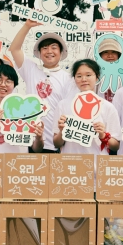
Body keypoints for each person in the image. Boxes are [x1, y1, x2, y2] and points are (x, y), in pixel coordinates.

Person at [9, 20, 76, 153]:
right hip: (31, 141)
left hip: (56, 144)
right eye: (44, 48)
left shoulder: (69, 79)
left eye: (53, 47)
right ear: (39, 53)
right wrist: (27, 25)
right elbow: (14, 49)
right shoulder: (31, 69)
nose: (49, 51)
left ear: (61, 52)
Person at [53, 59, 121, 155]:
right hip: (70, 164)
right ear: (74, 78)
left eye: (88, 75)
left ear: (97, 77)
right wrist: (61, 132)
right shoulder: (63, 105)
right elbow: (56, 143)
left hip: (97, 165)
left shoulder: (107, 107)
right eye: (79, 76)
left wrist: (102, 135)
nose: (83, 79)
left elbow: (116, 146)